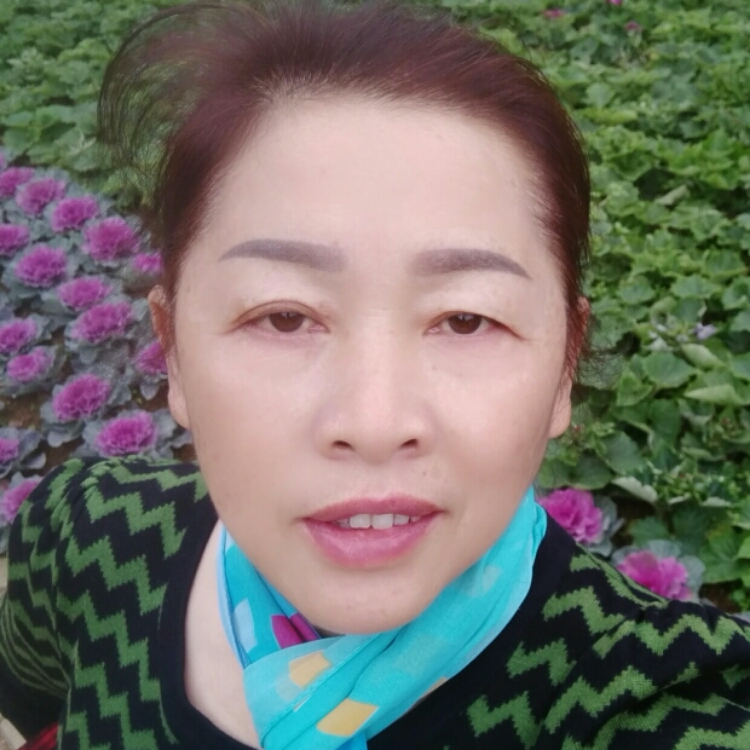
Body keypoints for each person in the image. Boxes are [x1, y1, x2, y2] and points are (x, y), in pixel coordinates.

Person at [1, 1, 749, 748]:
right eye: (283, 317)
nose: (373, 423)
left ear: (564, 369)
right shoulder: (87, 536)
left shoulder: (661, 702)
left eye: (466, 319)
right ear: (173, 353)